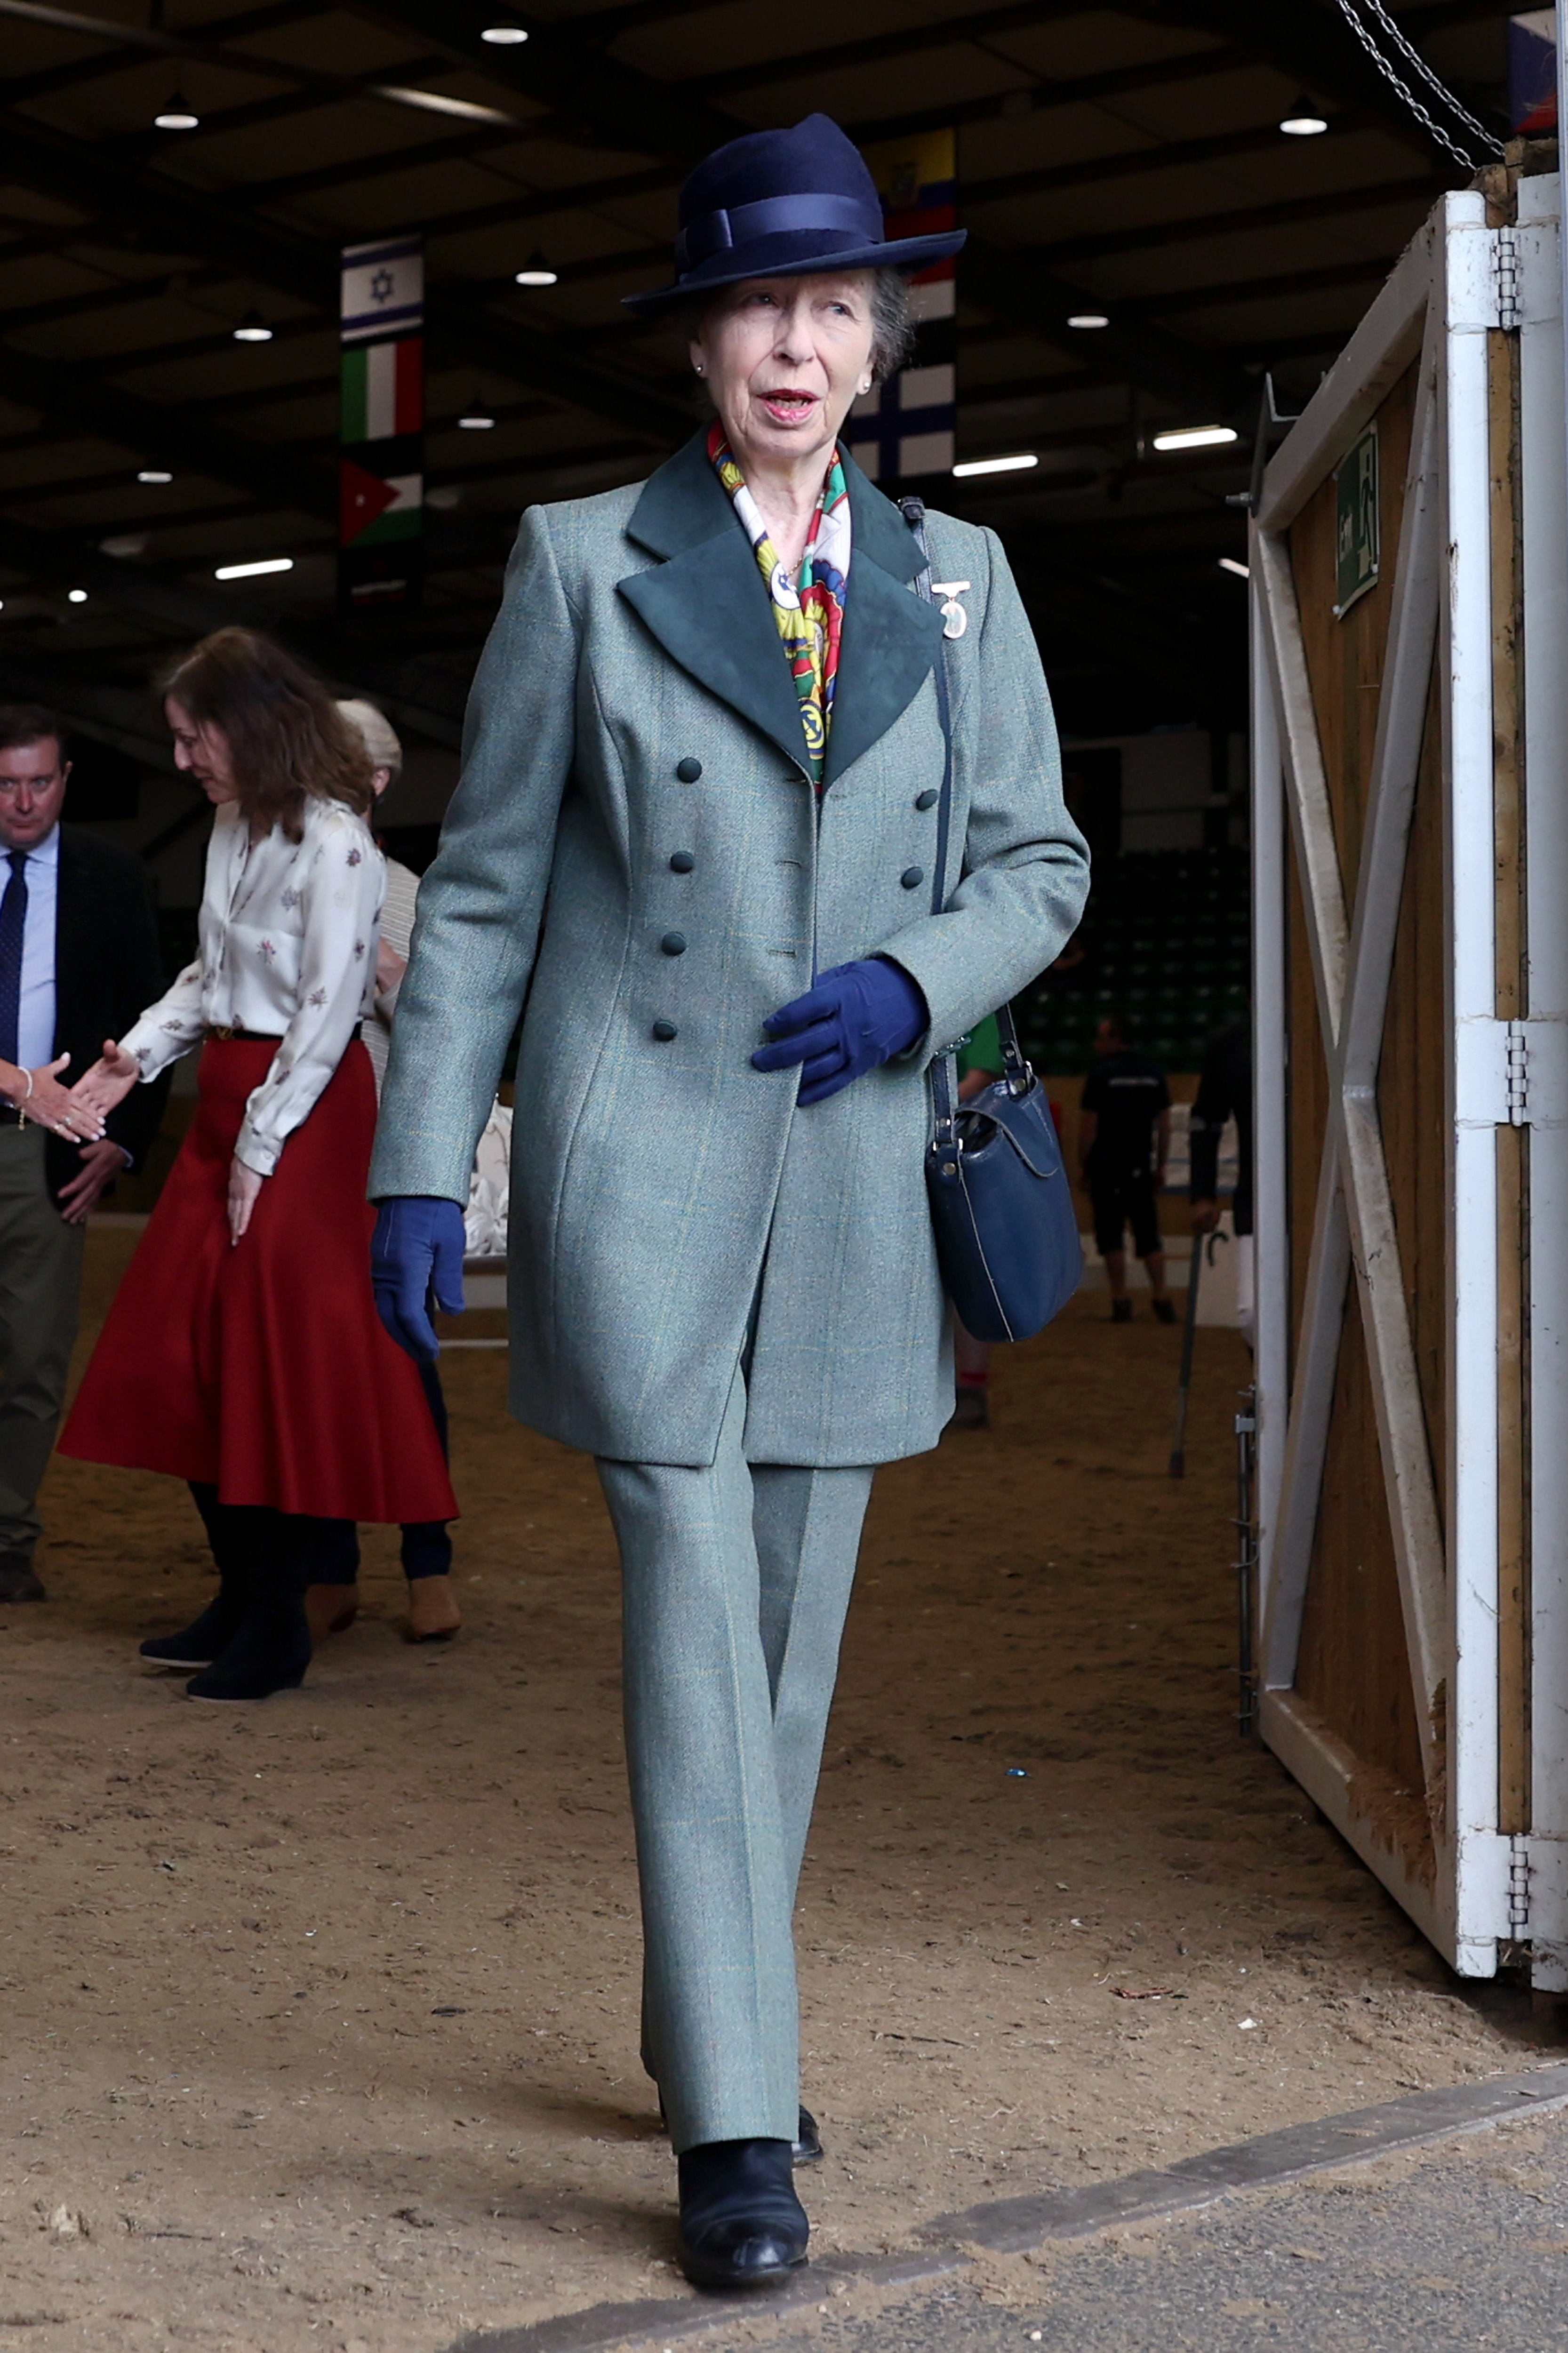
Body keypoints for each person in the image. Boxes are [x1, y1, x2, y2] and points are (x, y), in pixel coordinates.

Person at [367, 112, 1088, 2294]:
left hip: (861, 1181)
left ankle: (713, 2034)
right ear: (698, 340)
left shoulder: (970, 584)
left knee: (789, 1650)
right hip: (646, 1172)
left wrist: (915, 981)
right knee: (696, 1624)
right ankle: (742, 2136)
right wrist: (424, 1160)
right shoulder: (582, 562)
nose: (799, 340)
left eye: (836, 305)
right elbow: (484, 895)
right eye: (760, 303)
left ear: (877, 343)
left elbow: (1043, 866)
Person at [57, 631, 456, 1702]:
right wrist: (128, 1059)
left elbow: (328, 1013)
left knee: (274, 1364)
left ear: (253, 724)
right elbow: (208, 974)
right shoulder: (236, 826)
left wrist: (262, 1147)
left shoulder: (340, 844)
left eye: (195, 738)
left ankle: (281, 1614)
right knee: (184, 1353)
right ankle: (243, 1588)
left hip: (308, 1117)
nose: (183, 762)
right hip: (231, 1099)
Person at [302, 698, 461, 1647]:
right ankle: (328, 1566)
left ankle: (427, 1561)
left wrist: (377, 965)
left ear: (377, 782)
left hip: (387, 1162)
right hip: (307, 1159)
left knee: (408, 1363)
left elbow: (443, 1031)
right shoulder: (279, 885)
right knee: (316, 1371)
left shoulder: (412, 890)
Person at [0, 706, 168, 1606]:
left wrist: (126, 1142)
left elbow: (151, 1022)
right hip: (17, 1104)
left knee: (32, 1357)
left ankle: (8, 1538)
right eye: (5, 782)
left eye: (40, 781)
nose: (23, 801)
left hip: (48, 1156)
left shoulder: (112, 876)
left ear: (66, 781)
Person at [1079, 1011, 1175, 1324]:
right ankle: (1161, 1296)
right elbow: (1165, 1126)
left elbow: (1090, 1126)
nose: (1096, 1044)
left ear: (1115, 1038)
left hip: (1107, 1166)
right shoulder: (1153, 1073)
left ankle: (1121, 1299)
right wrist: (1160, 1166)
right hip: (1140, 1165)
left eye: (1102, 1037)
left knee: (1112, 1235)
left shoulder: (1101, 1075)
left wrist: (1084, 1165)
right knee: (1150, 1235)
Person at [951, 1012, 1004, 1429]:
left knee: (972, 1275)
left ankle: (970, 1387)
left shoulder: (981, 1008)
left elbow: (982, 1075)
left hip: (966, 1155)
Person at [1189, 1013, 1254, 1346]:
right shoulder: (1230, 1044)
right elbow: (1206, 1120)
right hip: (1254, 1199)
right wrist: (1203, 1194)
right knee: (1253, 1315)